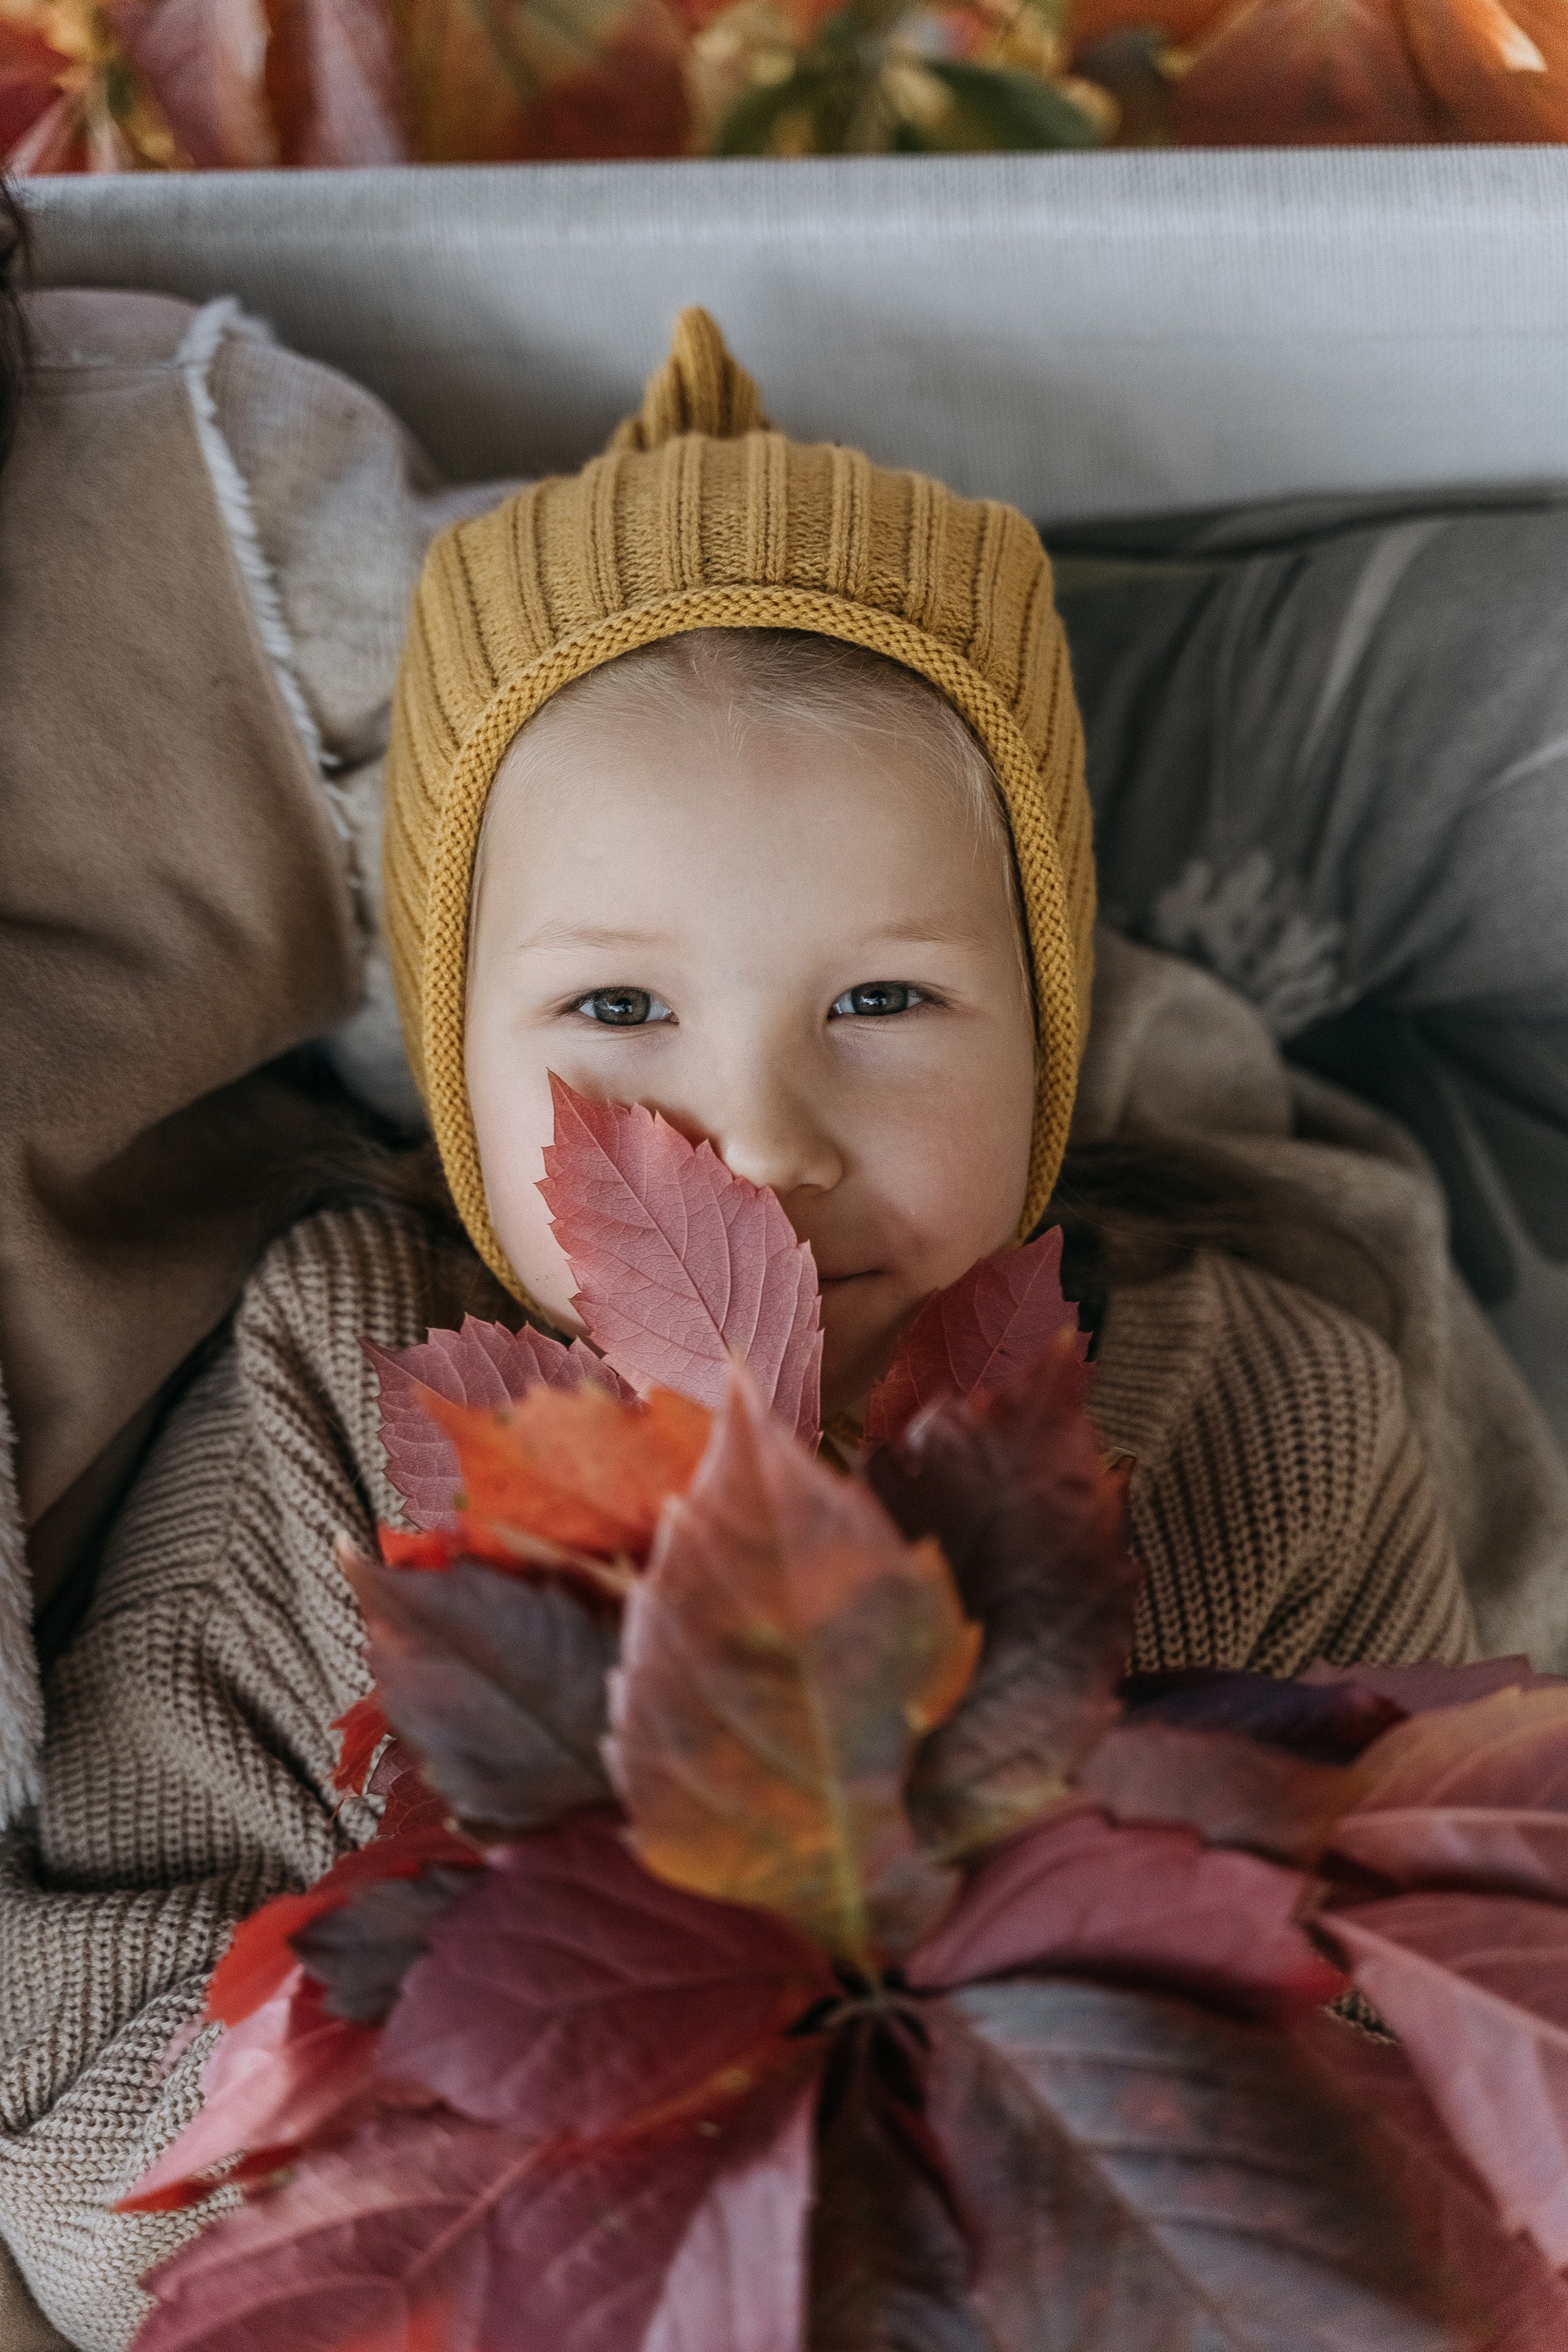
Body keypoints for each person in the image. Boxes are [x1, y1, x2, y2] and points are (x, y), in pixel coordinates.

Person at [0, 309, 1477, 2348]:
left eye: (883, 1005)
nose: (762, 1141)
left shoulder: (1262, 1410)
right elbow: (67, 2094)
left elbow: (1453, 1974)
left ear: (1050, 1030)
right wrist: (555, 2038)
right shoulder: (327, 1403)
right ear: (452, 1060)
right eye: (617, 1013)